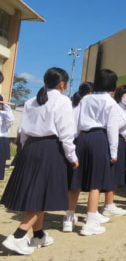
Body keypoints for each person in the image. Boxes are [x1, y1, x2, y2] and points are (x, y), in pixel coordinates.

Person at [1, 68, 78, 255]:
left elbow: (23, 132)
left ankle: (38, 235)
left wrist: (26, 149)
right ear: (63, 84)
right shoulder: (63, 101)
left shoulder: (30, 102)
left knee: (37, 193)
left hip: (30, 149)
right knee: (43, 194)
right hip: (51, 150)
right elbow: (67, 133)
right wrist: (72, 157)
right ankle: (18, 236)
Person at [64, 69, 120, 236]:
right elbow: (112, 129)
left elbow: (76, 121)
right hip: (99, 139)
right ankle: (89, 223)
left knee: (76, 180)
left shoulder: (86, 99)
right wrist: (114, 152)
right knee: (95, 183)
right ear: (113, 86)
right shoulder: (111, 104)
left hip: (83, 138)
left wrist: (77, 139)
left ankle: (68, 219)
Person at [102, 84, 126, 216]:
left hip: (121, 141)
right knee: (113, 173)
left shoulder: (125, 109)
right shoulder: (117, 108)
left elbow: (123, 128)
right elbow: (115, 126)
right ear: (119, 96)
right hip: (114, 140)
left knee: (117, 173)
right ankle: (108, 205)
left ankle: (110, 204)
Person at [0, 94, 15, 180]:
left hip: (2, 139)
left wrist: (5, 105)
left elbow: (11, 120)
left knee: (1, 161)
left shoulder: (5, 113)